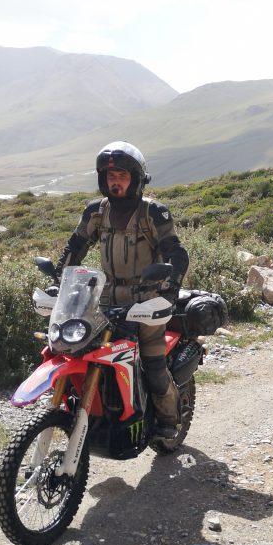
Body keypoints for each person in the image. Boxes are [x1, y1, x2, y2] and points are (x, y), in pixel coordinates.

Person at [55, 141, 189, 438]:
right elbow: (74, 248)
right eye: (110, 176)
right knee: (81, 353)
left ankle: (169, 420)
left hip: (146, 303)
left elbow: (176, 254)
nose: (116, 182)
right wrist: (57, 282)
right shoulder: (96, 212)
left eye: (122, 176)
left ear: (136, 179)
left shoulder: (153, 213)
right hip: (104, 301)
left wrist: (169, 290)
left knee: (152, 365)